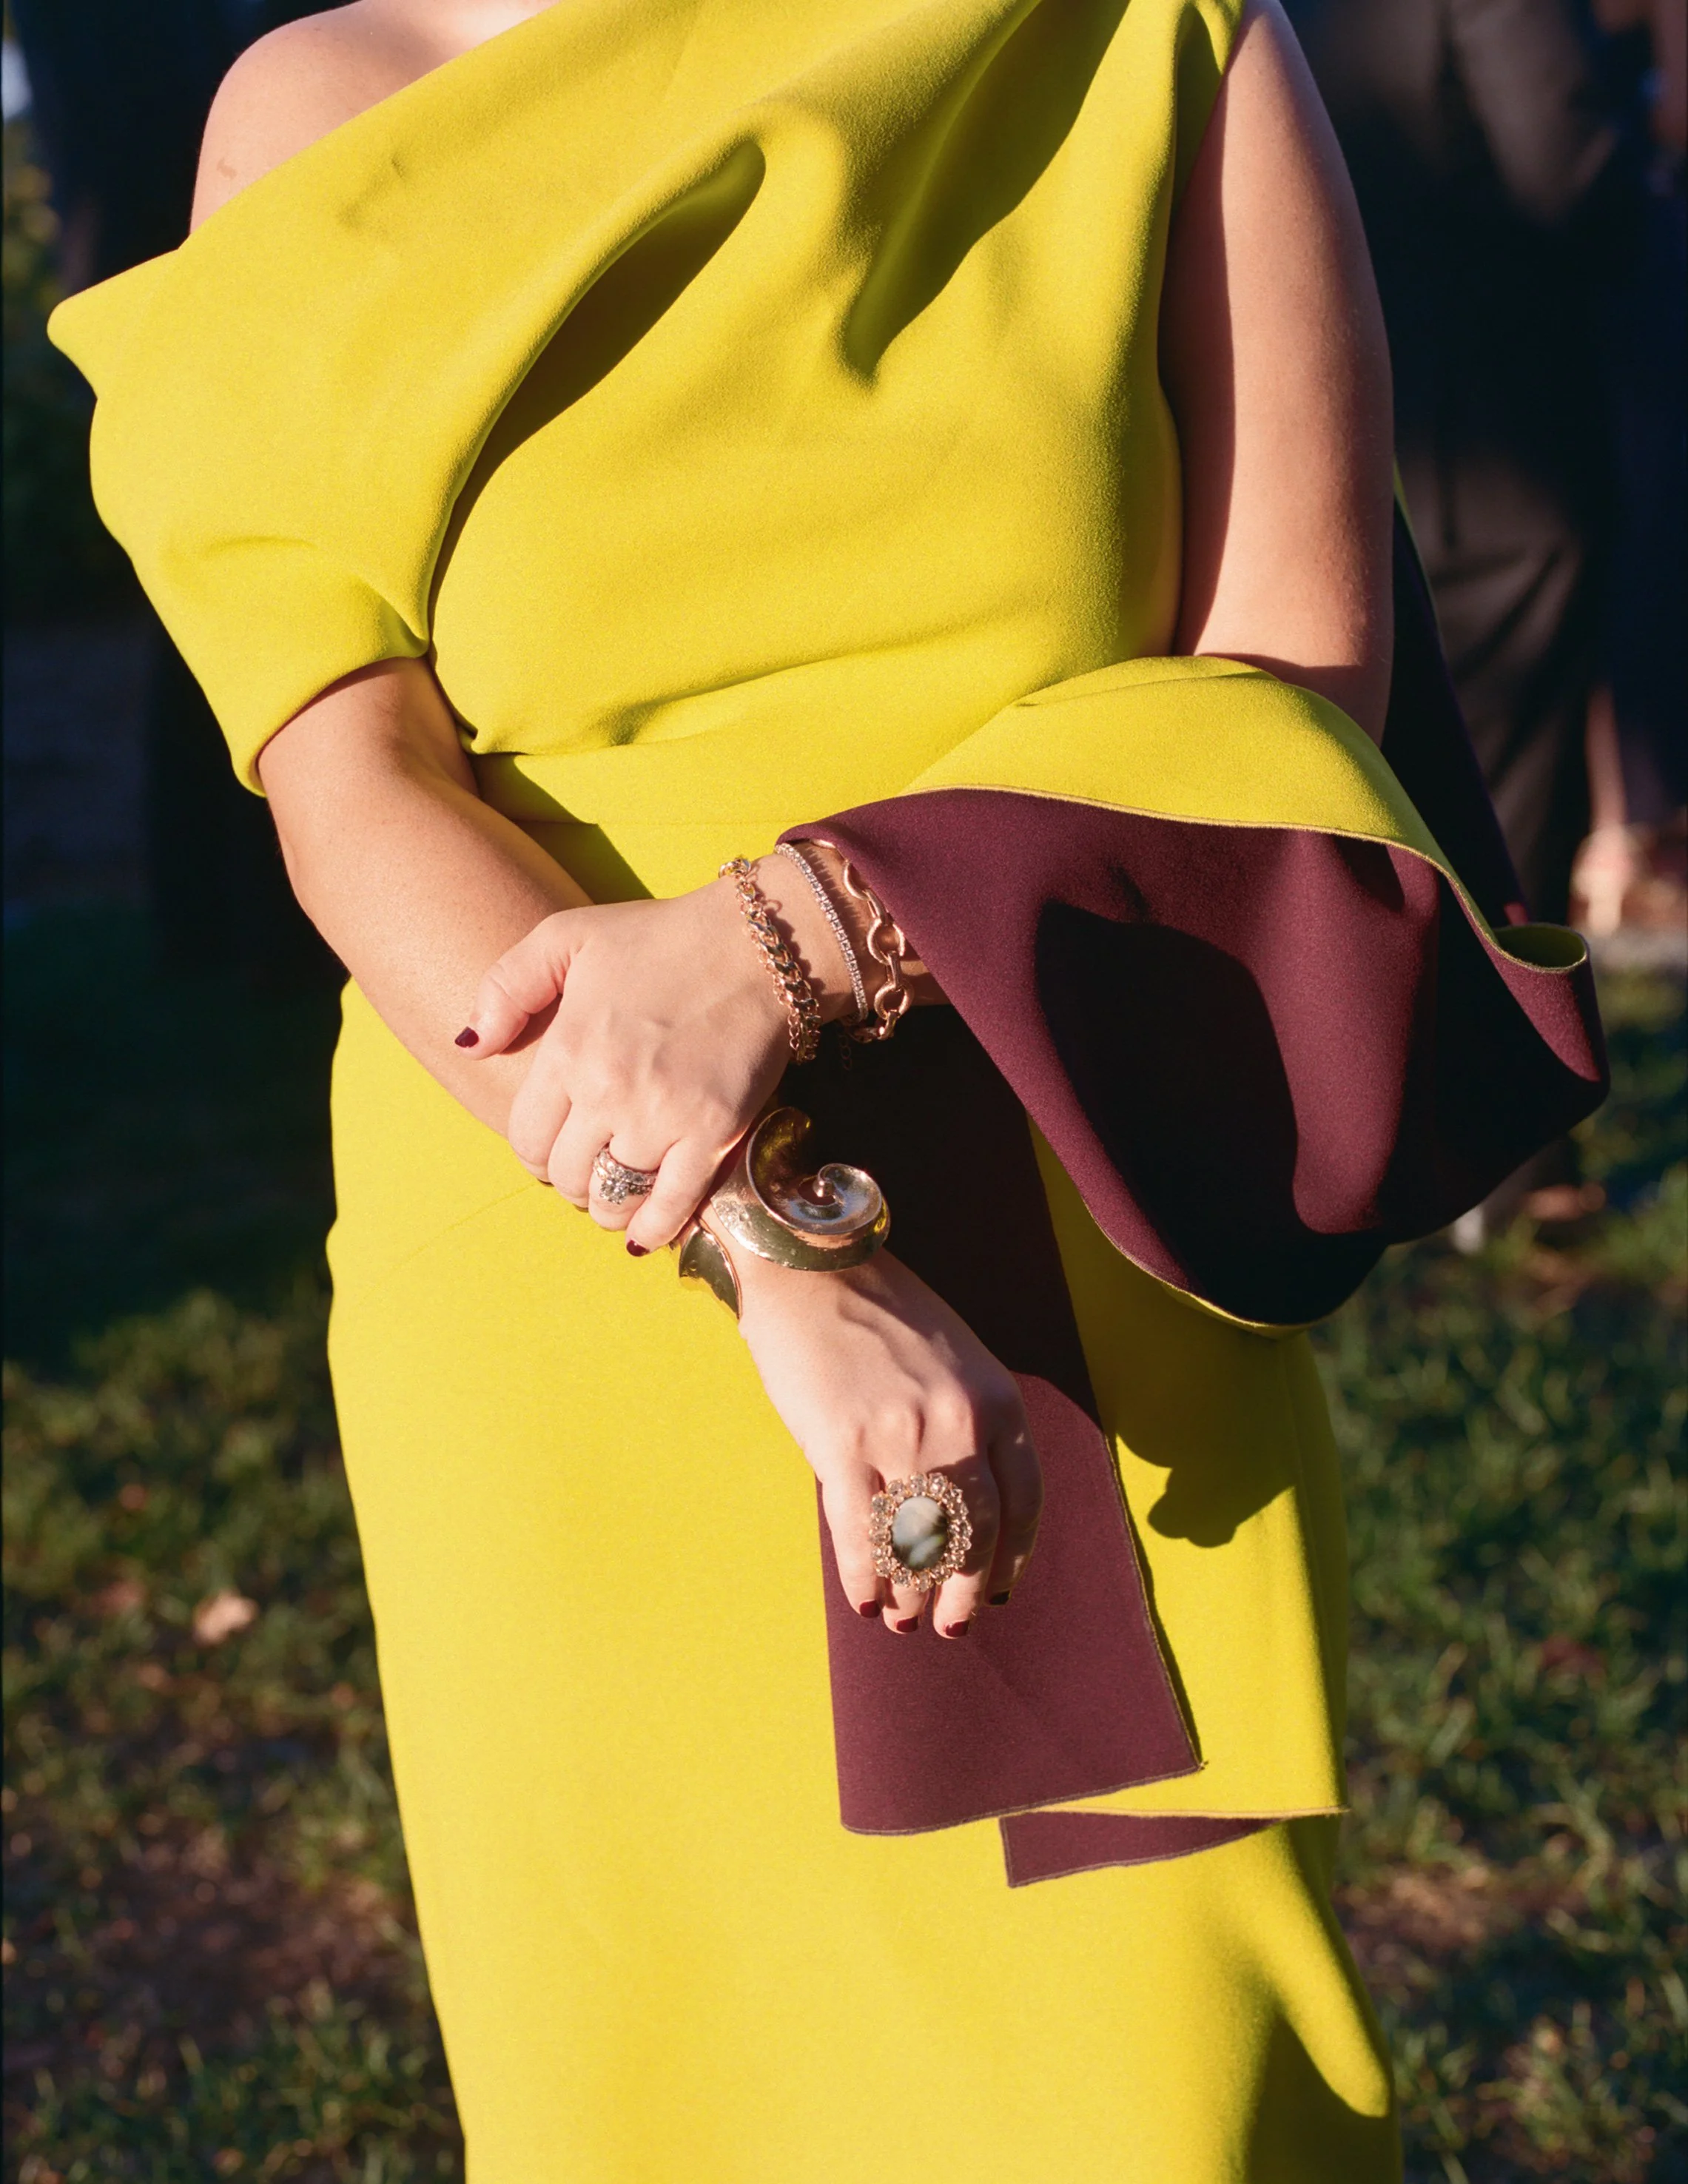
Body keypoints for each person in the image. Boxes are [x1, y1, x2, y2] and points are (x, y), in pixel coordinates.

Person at [50, 1, 1604, 2174]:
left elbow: (1290, 678)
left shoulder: (1151, 32)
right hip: (568, 1242)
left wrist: (800, 929)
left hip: (1075, 1160)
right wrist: (764, 1236)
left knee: (1158, 2103)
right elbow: (348, 773)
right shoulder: (323, 101)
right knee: (660, 2104)